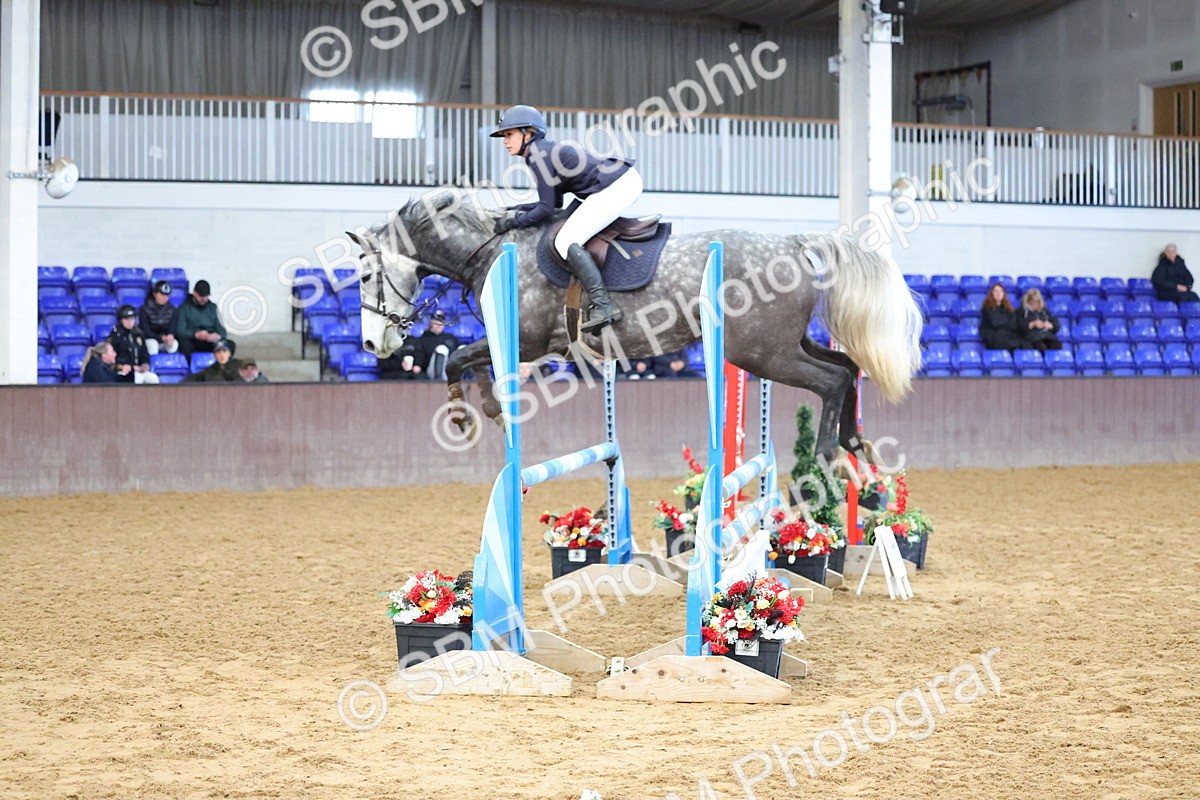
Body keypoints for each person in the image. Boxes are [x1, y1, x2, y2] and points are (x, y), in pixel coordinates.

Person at [490, 104, 642, 332]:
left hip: (618, 185)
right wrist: (516, 209)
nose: (505, 141)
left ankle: (604, 304)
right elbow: (553, 204)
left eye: (509, 134)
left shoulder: (538, 155)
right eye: (504, 136)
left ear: (528, 133)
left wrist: (515, 220)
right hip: (618, 182)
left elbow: (546, 209)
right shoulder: (540, 152)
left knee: (565, 241)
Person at [175, 280, 234, 359]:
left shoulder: (213, 308)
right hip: (193, 340)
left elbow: (222, 331)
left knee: (230, 345)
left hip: (210, 341)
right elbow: (180, 331)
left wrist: (217, 336)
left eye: (205, 296)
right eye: (200, 296)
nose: (203, 299)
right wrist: (195, 335)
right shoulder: (184, 308)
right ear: (194, 293)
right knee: (184, 345)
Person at [108, 305, 159, 384]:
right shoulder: (116, 335)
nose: (129, 322)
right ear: (121, 320)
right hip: (124, 371)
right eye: (126, 319)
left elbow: (145, 353)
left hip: (139, 370)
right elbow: (111, 358)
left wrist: (145, 365)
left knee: (153, 378)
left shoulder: (138, 334)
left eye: (132, 318)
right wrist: (123, 367)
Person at [413, 311, 460, 380]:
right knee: (441, 349)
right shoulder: (424, 339)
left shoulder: (451, 338)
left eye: (441, 322)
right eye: (436, 322)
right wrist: (418, 365)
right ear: (431, 323)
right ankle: (439, 380)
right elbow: (419, 355)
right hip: (431, 372)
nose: (439, 324)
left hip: (450, 370)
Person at [138, 280, 179, 355]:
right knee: (152, 344)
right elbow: (146, 331)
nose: (164, 298)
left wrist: (170, 336)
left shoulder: (172, 309)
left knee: (174, 344)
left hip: (165, 340)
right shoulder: (144, 309)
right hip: (150, 339)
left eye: (167, 295)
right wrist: (161, 338)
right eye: (162, 294)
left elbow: (173, 328)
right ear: (154, 294)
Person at [979, 283, 1022, 350]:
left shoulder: (1009, 308)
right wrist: (1006, 321)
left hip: (1007, 336)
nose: (998, 293)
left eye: (1001, 291)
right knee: (1001, 335)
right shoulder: (987, 308)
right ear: (992, 293)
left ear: (1003, 294)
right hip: (992, 337)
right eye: (996, 291)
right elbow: (994, 322)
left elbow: (1013, 324)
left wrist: (1002, 322)